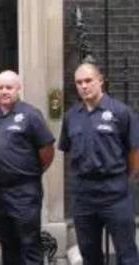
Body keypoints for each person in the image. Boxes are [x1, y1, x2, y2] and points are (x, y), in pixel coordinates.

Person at [59, 63, 139, 265]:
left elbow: (134, 153)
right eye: (79, 82)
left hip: (115, 194)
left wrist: (124, 179)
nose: (84, 86)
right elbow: (69, 151)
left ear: (100, 81)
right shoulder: (71, 117)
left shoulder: (121, 112)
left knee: (127, 254)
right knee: (90, 254)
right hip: (84, 196)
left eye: (88, 81)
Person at [0, 70, 55, 265]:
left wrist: (33, 172)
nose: (4, 91)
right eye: (0, 87)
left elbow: (47, 150)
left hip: (24, 190)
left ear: (18, 89)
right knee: (7, 243)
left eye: (9, 87)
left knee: (29, 242)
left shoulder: (31, 115)